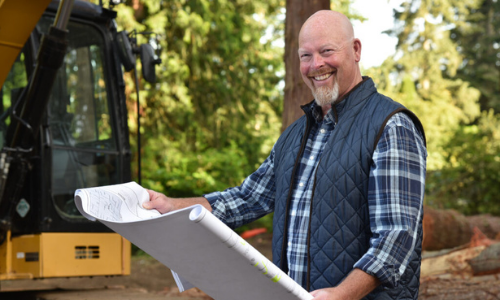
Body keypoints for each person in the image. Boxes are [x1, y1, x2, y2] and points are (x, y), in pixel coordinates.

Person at [144, 10, 427, 300]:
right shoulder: (295, 134)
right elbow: (248, 198)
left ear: (355, 50)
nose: (316, 65)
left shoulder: (391, 125)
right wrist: (174, 205)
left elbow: (397, 238)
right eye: (306, 55)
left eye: (327, 51)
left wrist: (343, 294)